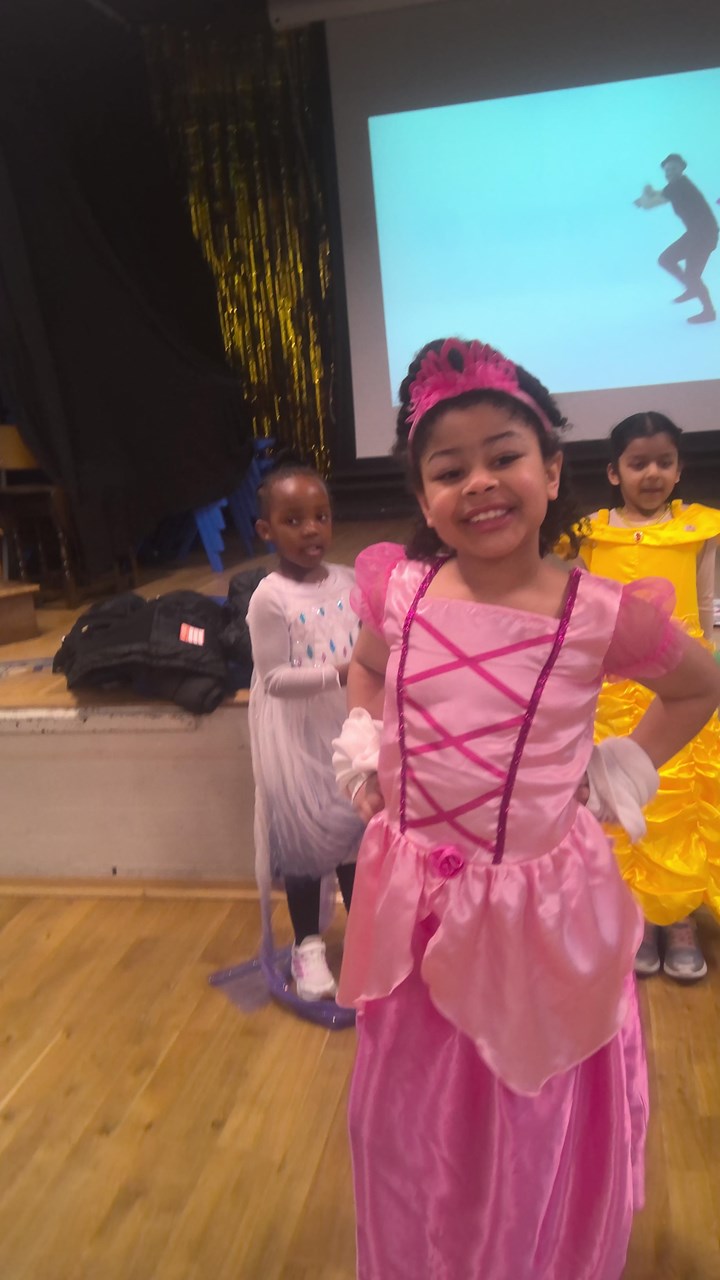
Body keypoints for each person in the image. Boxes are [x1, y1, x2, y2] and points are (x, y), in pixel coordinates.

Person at [330, 339, 720, 1279]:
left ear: (551, 471)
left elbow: (699, 685)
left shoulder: (598, 614)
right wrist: (365, 745)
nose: (479, 482)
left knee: (519, 1100)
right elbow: (368, 670)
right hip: (415, 905)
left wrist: (622, 765)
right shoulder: (401, 592)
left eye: (503, 455)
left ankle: (521, 1246)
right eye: (448, 469)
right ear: (423, 495)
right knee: (416, 1105)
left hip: (531, 919)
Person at [569, 411, 720, 982]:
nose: (651, 473)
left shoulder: (698, 531)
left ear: (679, 469)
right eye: (638, 463)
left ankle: (677, 917)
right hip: (611, 693)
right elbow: (579, 608)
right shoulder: (590, 534)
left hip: (680, 689)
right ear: (614, 472)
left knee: (675, 800)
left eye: (664, 462)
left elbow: (708, 610)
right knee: (614, 795)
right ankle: (629, 912)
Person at [247, 463, 363, 1001]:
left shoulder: (350, 580)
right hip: (295, 735)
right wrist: (341, 673)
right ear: (266, 529)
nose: (311, 529)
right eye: (293, 520)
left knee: (354, 829)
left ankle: (364, 934)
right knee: (305, 838)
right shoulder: (269, 597)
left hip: (346, 723)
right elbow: (273, 679)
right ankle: (307, 944)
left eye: (321, 516)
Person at [634, 153, 718, 324]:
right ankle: (692, 289)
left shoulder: (678, 187)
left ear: (681, 169)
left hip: (703, 236)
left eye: (673, 168)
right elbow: (659, 195)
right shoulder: (678, 186)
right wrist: (647, 196)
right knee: (670, 262)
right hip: (698, 234)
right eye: (667, 170)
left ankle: (707, 310)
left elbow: (650, 204)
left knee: (688, 273)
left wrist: (645, 192)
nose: (669, 172)